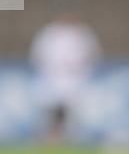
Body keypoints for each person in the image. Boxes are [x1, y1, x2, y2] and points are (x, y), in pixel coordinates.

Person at [29, 16, 101, 144]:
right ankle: (47, 140)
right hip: (51, 78)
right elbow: (37, 56)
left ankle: (69, 141)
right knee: (49, 112)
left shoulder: (82, 34)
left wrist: (82, 72)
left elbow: (93, 56)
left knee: (73, 114)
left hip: (75, 79)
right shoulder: (49, 33)